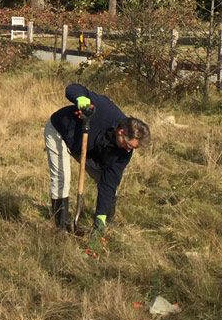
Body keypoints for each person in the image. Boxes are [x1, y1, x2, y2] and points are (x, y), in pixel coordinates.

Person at [44, 83, 150, 247]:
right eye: (129, 145)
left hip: (88, 149)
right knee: (62, 178)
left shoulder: (125, 152)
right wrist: (80, 99)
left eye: (133, 148)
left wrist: (99, 216)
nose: (130, 150)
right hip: (60, 132)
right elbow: (73, 87)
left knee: (105, 181)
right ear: (120, 132)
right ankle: (62, 226)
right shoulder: (104, 110)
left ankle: (105, 222)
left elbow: (109, 182)